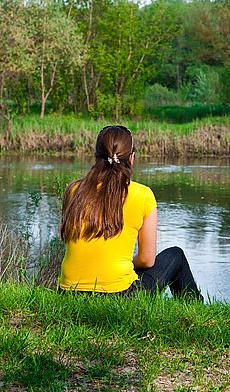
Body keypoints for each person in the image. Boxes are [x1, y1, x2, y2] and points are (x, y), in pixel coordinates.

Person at [58, 125, 203, 301]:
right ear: (132, 158)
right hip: (119, 295)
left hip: (68, 293)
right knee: (175, 255)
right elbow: (147, 260)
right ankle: (193, 308)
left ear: (96, 156)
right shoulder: (142, 195)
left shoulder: (74, 190)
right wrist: (125, 264)